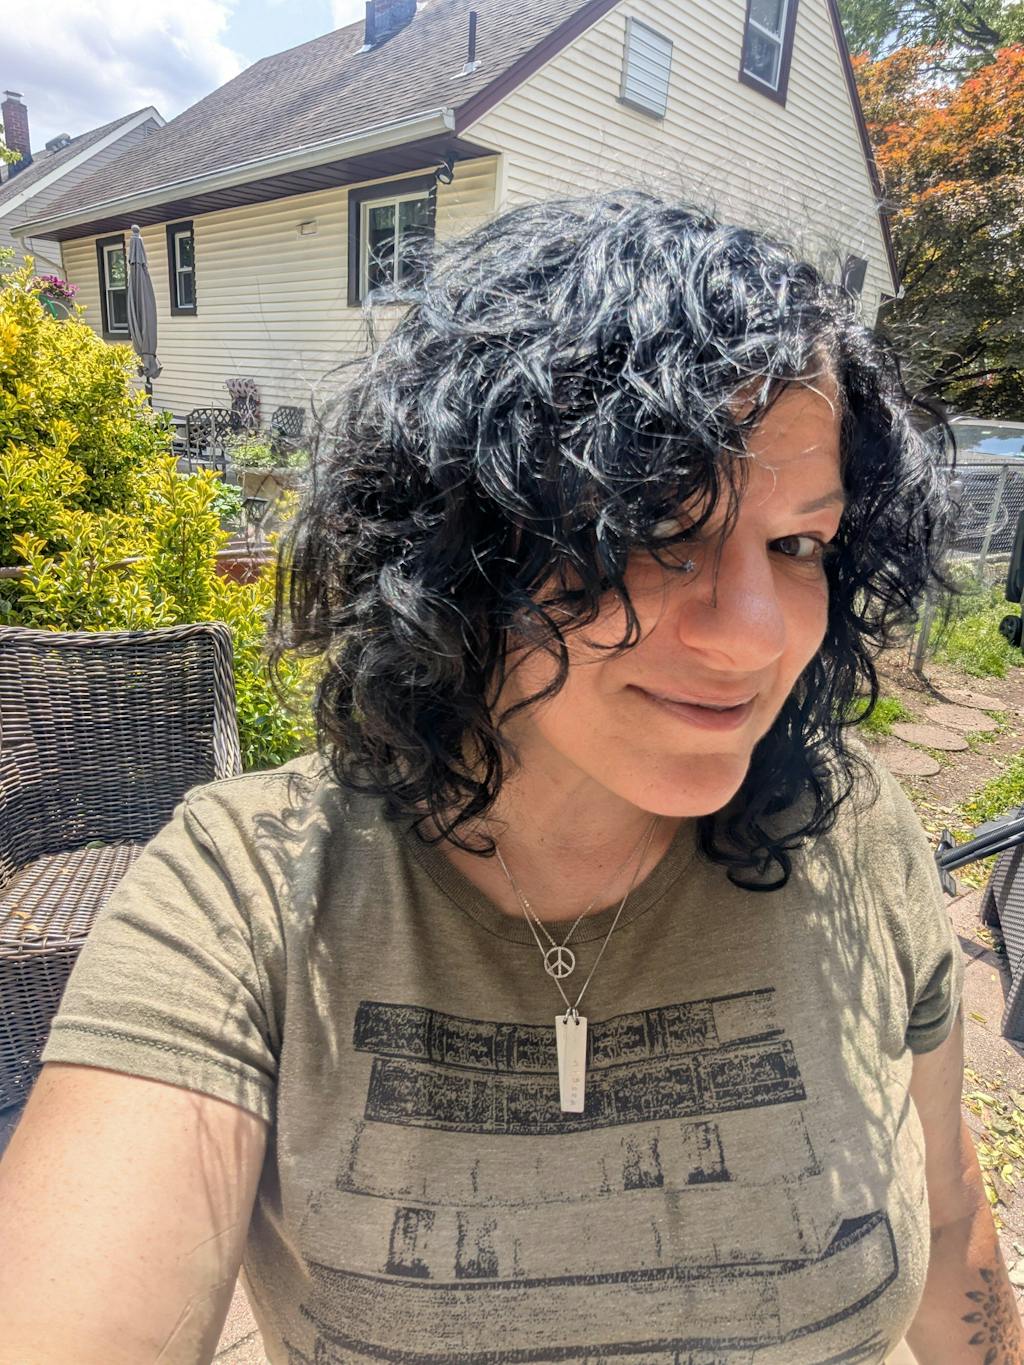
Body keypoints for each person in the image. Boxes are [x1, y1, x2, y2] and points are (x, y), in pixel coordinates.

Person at [0, 190, 1016, 1365]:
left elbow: (950, 1215)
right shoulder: (247, 895)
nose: (752, 635)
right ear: (466, 539)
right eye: (656, 530)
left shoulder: (856, 832)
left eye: (796, 546)